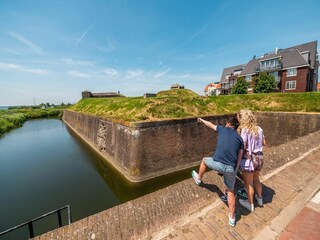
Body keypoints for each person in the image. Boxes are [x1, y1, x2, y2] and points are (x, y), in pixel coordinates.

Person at [192, 117, 244, 227]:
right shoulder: (240, 139)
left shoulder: (223, 129)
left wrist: (201, 120)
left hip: (218, 164)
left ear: (228, 124)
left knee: (204, 161)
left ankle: (199, 179)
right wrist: (235, 170)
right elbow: (239, 158)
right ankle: (232, 218)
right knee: (231, 191)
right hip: (231, 168)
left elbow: (210, 124)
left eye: (226, 123)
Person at [237, 109, 266, 212]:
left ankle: (250, 204)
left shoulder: (244, 130)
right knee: (257, 180)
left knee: (249, 183)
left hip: (250, 160)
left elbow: (243, 146)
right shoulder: (259, 129)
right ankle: (260, 199)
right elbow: (264, 143)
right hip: (259, 158)